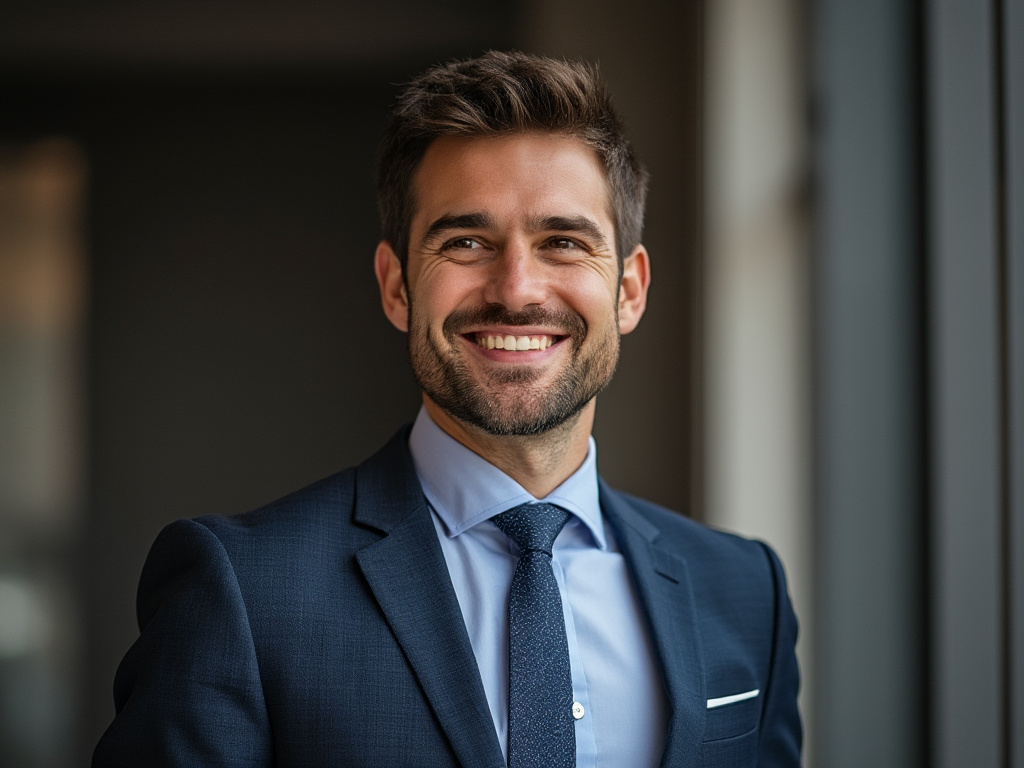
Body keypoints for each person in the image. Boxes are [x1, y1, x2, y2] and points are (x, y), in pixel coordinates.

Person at [93, 51, 801, 768]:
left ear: (629, 290)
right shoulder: (240, 591)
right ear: (397, 286)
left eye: (563, 242)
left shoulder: (746, 592)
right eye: (466, 241)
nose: (516, 289)